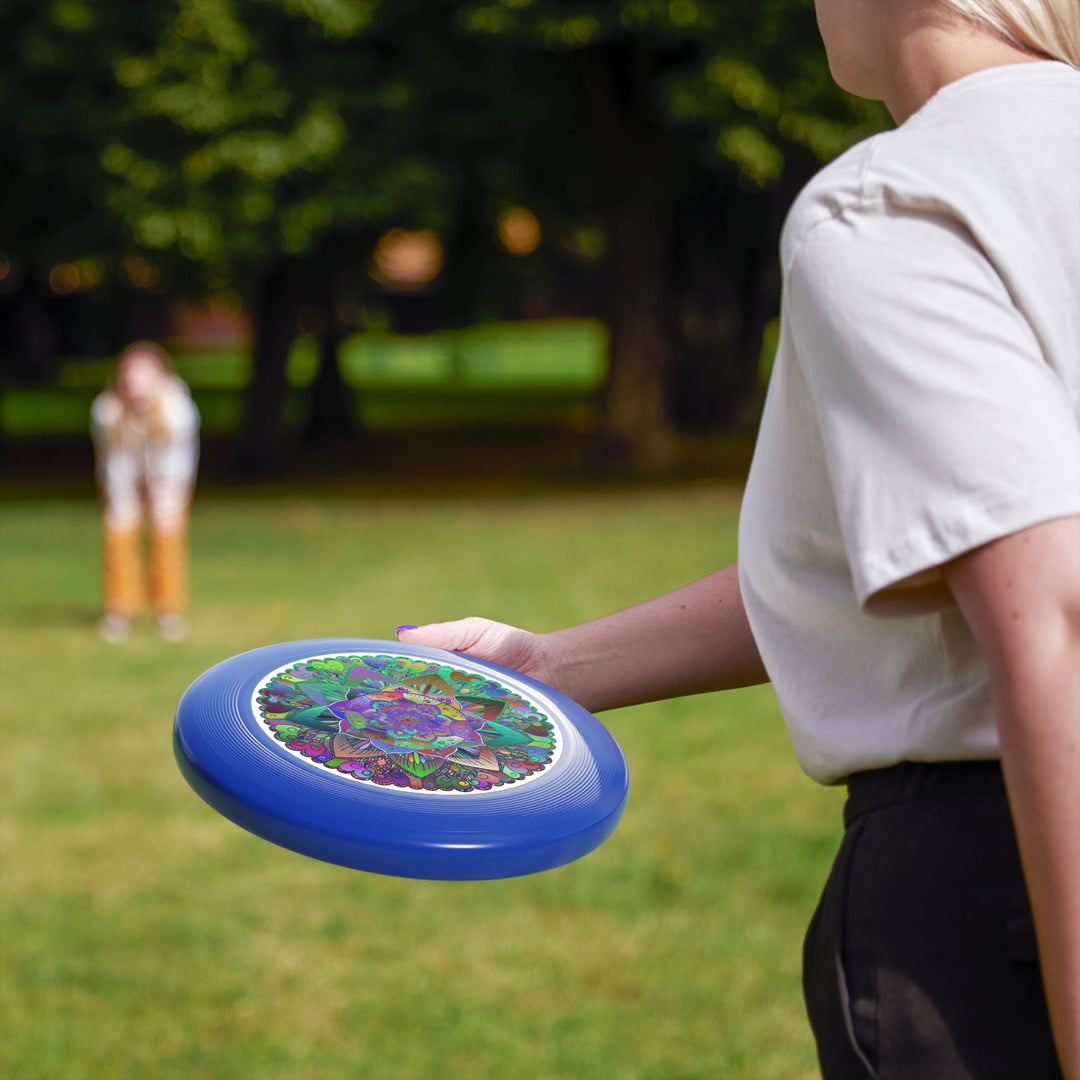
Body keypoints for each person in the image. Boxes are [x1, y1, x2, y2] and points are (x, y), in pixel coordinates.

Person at [395, 1, 1080, 1077]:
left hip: (1004, 889)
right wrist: (551, 667)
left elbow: (1054, 615)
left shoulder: (900, 201)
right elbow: (912, 554)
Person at [91, 341, 200, 642]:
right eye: (130, 377)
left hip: (168, 479)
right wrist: (126, 495)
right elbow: (114, 460)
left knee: (167, 534)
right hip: (123, 478)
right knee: (118, 531)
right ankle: (118, 610)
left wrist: (160, 492)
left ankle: (168, 611)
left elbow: (177, 460)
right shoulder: (107, 410)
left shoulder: (178, 410)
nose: (136, 385)